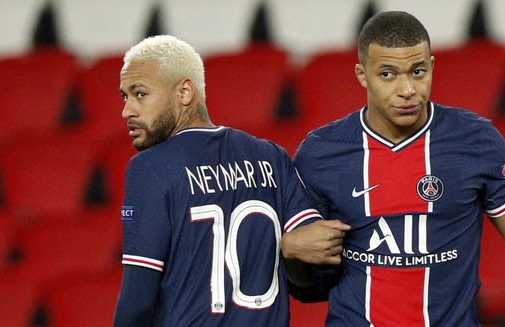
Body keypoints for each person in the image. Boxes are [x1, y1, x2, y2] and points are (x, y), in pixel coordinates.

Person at [284, 11, 505, 326]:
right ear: (362, 74)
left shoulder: (476, 140)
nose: (407, 90)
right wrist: (289, 250)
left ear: (432, 66)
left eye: (417, 71)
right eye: (388, 74)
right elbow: (307, 285)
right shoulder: (320, 153)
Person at [113, 35, 349, 326]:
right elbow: (316, 273)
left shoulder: (149, 168)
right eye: (125, 96)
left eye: (140, 94)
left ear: (185, 92)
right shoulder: (271, 156)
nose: (128, 111)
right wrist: (288, 248)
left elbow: (138, 300)